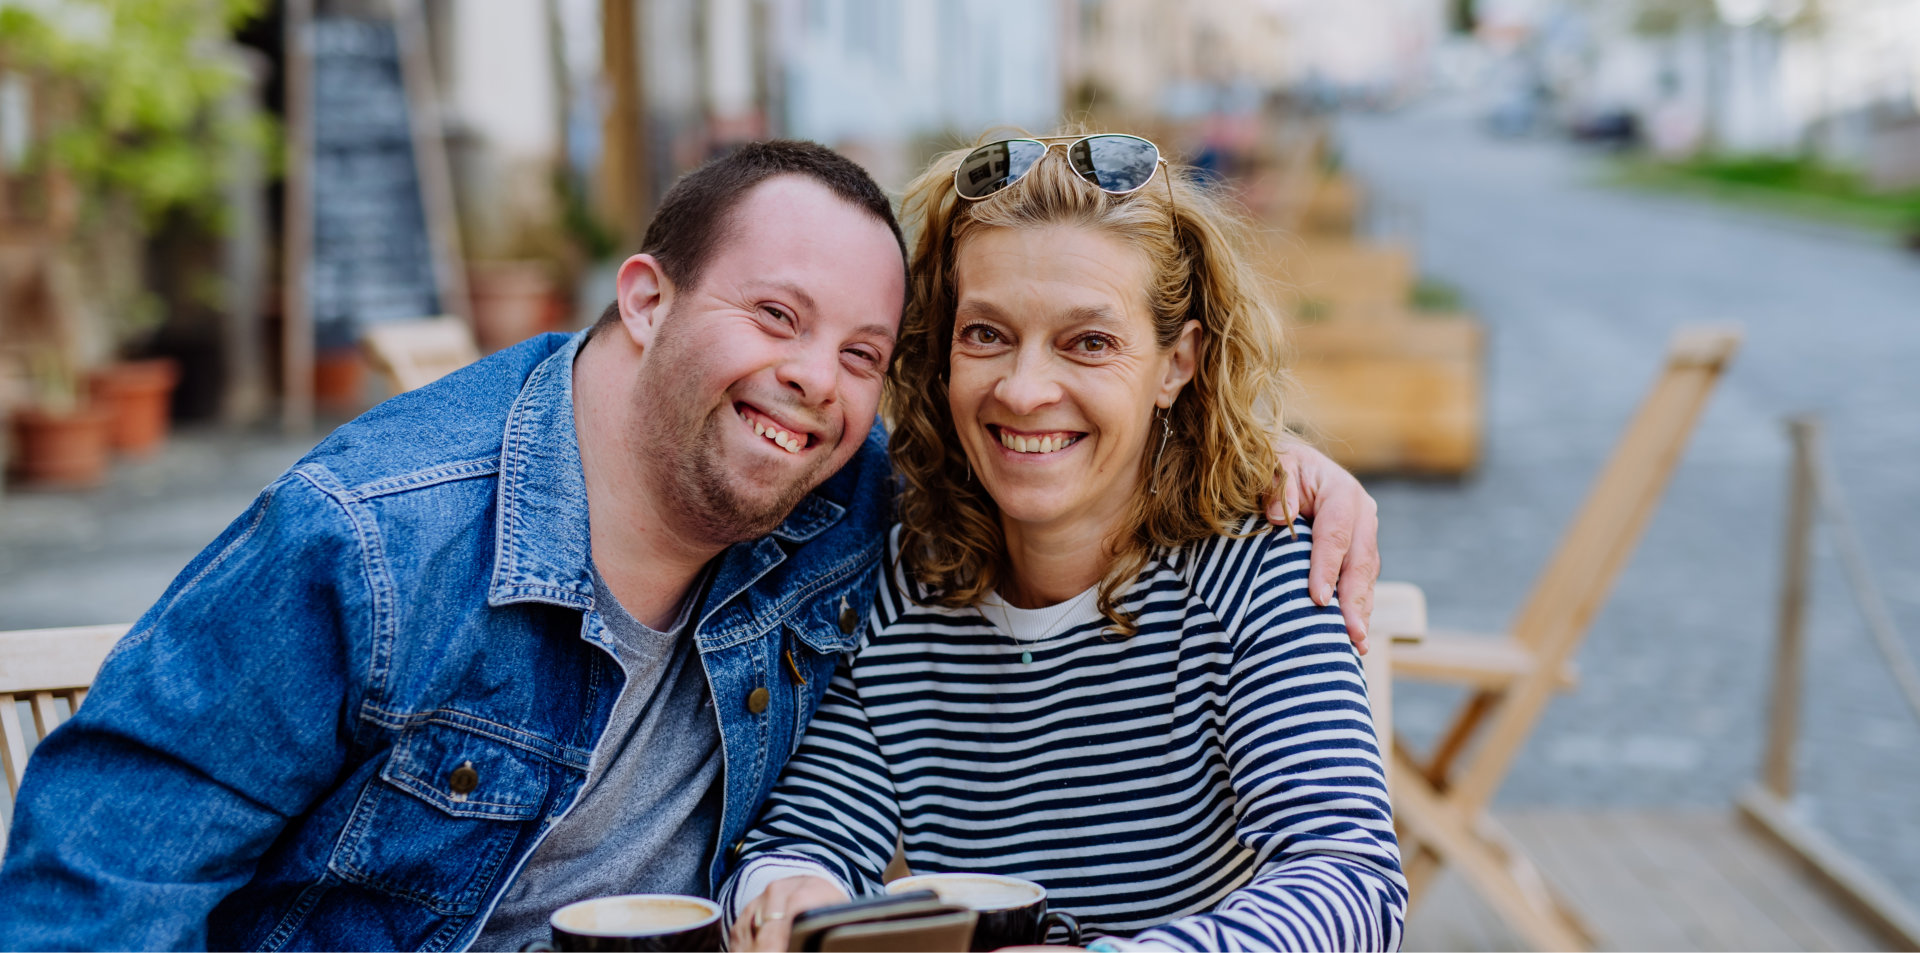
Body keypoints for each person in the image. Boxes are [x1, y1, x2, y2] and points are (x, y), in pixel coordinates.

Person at [0, 142, 1379, 952]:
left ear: (1177, 365)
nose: (815, 387)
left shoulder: (855, 514)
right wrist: (799, 875)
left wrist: (1264, 465)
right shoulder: (374, 542)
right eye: (774, 317)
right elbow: (91, 895)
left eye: (858, 352)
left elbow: (1346, 875)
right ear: (646, 299)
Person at [725, 134, 1406, 953]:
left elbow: (1351, 880)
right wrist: (792, 891)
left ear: (1175, 364)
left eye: (1088, 341)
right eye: (986, 334)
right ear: (941, 352)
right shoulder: (898, 582)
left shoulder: (1256, 565)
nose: (1023, 388)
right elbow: (810, 837)